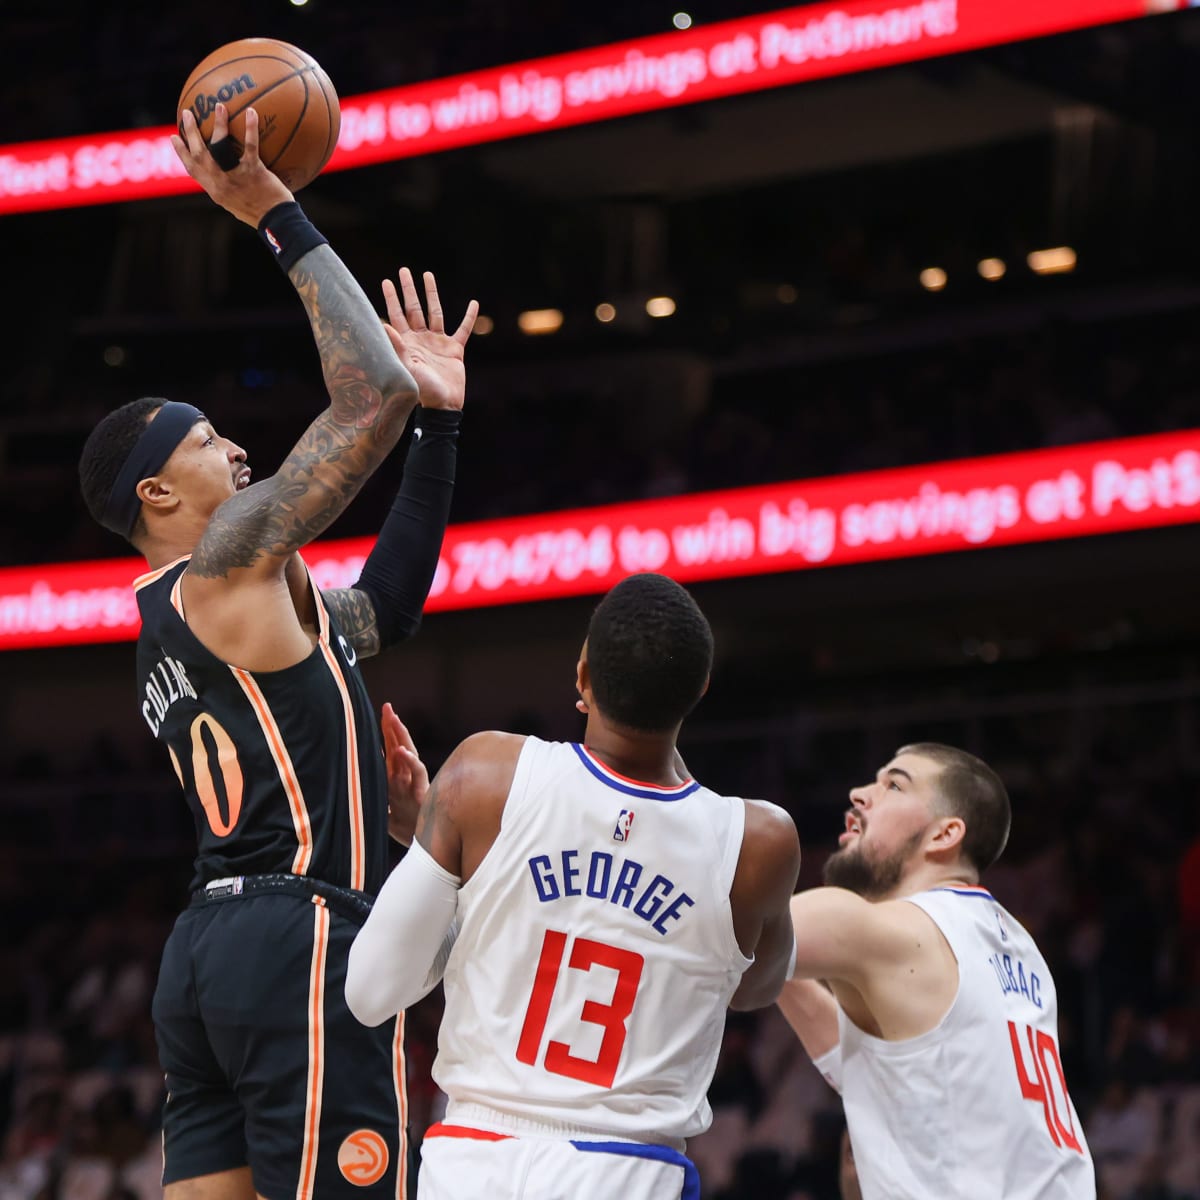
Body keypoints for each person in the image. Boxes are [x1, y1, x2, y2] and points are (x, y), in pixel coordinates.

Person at [76, 102, 477, 1200]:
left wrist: (443, 430)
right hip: (299, 932)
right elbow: (370, 393)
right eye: (208, 440)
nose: (238, 444)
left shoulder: (191, 611)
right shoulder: (226, 561)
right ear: (158, 494)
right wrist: (275, 212)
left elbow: (383, 611)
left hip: (203, 959)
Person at [344, 572, 801, 1200]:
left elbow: (371, 994)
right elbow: (755, 987)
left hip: (473, 1164)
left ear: (582, 674)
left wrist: (457, 880)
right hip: (627, 1171)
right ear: (698, 691)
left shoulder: (483, 777)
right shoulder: (759, 840)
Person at [776, 743, 1097, 1199]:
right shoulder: (1019, 949)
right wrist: (772, 974)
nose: (860, 793)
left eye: (893, 785)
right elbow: (884, 1063)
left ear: (944, 834)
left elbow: (718, 935)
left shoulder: (891, 928)